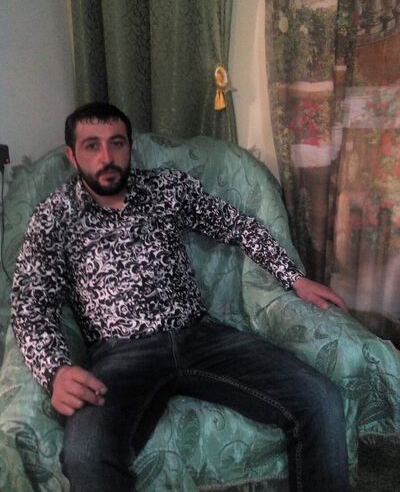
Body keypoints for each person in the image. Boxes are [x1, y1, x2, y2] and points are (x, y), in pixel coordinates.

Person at [11, 102, 350, 492]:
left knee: (321, 399)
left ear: (129, 147)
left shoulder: (165, 188)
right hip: (120, 355)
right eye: (92, 145)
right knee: (86, 454)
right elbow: (31, 306)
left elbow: (237, 226)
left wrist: (294, 278)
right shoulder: (53, 218)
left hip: (201, 336)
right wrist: (55, 371)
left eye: (117, 143)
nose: (107, 157)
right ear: (72, 156)